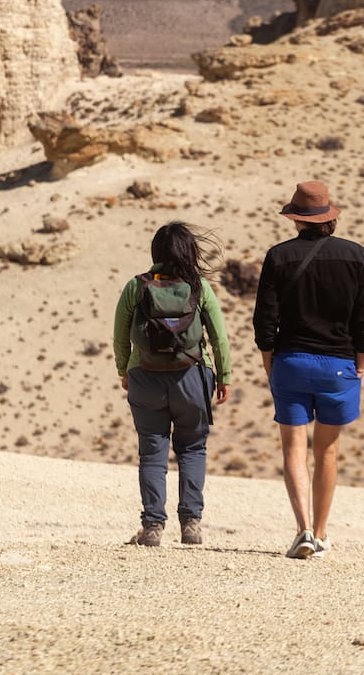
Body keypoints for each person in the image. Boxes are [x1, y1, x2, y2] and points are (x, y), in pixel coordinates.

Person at [253, 181, 364, 559]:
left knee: (294, 448)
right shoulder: (355, 255)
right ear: (329, 216)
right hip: (339, 365)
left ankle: (303, 529)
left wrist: (268, 359)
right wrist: (361, 360)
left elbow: (264, 318)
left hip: (290, 362)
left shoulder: (278, 256)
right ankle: (321, 534)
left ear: (296, 219)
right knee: (327, 451)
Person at [113, 221, 231, 546]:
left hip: (145, 376)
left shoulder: (136, 287)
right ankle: (191, 524)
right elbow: (219, 337)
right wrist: (224, 376)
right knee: (192, 448)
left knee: (152, 450)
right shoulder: (199, 287)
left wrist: (124, 370)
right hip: (192, 378)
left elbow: (120, 336)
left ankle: (153, 526)